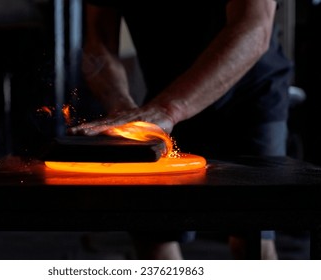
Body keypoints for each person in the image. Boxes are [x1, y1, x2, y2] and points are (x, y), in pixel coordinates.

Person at [69, 0, 293, 259]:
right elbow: (99, 45)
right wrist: (120, 105)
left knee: (252, 234)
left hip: (250, 92)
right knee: (153, 230)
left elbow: (254, 28)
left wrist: (169, 109)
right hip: (166, 90)